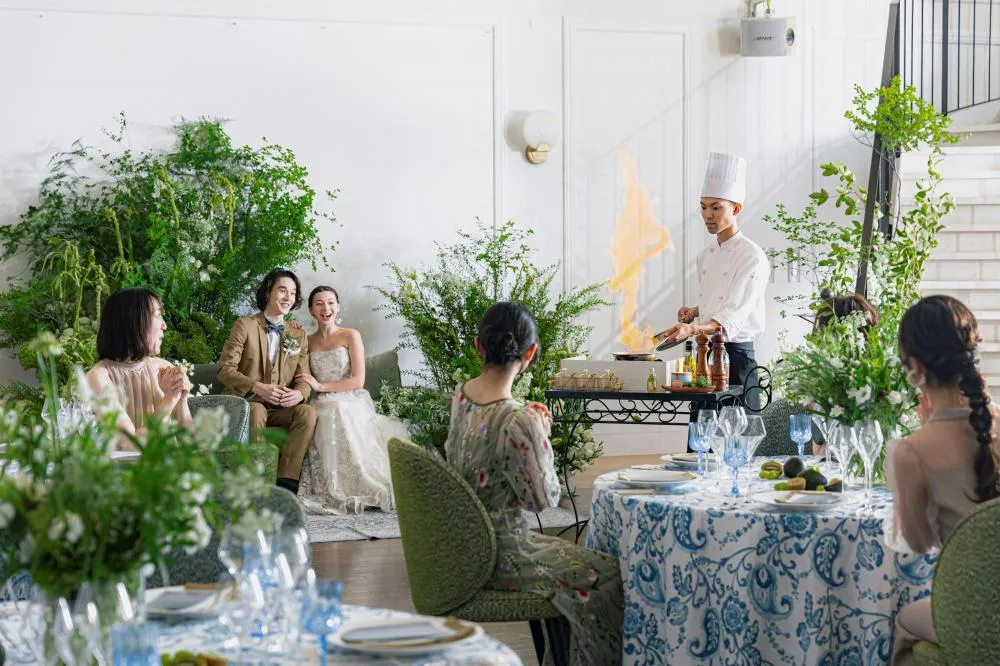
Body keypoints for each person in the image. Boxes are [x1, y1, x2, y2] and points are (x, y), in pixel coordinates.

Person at [445, 301, 624, 666]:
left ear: (478, 346)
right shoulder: (518, 420)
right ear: (530, 353)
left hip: (465, 548)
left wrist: (531, 428)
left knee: (585, 566)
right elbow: (543, 500)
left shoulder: (461, 396)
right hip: (504, 555)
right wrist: (540, 434)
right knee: (609, 575)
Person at [888, 295, 1000, 666]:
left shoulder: (912, 452)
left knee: (903, 621)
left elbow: (918, 543)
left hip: (975, 613)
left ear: (915, 366)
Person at [654, 152, 770, 405]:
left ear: (736, 209)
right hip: (705, 356)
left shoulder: (752, 256)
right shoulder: (705, 256)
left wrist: (692, 329)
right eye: (703, 207)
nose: (708, 215)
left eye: (716, 207)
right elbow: (722, 297)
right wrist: (696, 311)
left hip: (737, 360)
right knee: (701, 425)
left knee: (739, 427)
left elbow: (734, 315)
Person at [293, 286, 407, 515]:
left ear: (338, 307)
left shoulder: (350, 335)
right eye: (319, 303)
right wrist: (291, 331)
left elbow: (358, 380)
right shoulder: (307, 341)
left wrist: (321, 386)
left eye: (330, 302)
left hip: (349, 398)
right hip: (321, 401)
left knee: (337, 409)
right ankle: (333, 487)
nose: (326, 308)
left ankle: (364, 484)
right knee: (320, 412)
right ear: (311, 310)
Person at [217, 269, 317, 494]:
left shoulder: (298, 334)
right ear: (268, 292)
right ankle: (259, 480)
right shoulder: (244, 325)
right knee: (257, 409)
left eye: (293, 293)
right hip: (247, 404)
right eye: (282, 290)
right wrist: (256, 387)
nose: (288, 297)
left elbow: (303, 378)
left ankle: (286, 483)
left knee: (307, 412)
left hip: (281, 409)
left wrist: (299, 394)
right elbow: (224, 369)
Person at [86, 287, 192, 450]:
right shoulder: (98, 377)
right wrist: (169, 399)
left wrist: (182, 399)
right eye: (158, 315)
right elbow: (131, 444)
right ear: (134, 321)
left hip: (170, 464)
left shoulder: (164, 368)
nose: (164, 325)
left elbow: (191, 441)